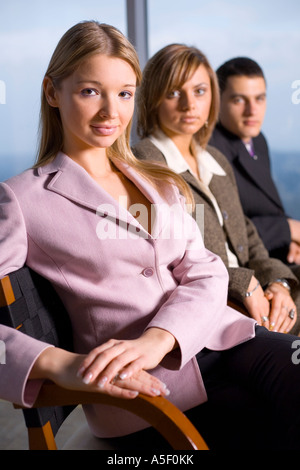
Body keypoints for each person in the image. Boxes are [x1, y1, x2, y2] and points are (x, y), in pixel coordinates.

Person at [1, 24, 300, 451]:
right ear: (52, 92)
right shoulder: (22, 198)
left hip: (215, 335)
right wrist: (61, 364)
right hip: (143, 390)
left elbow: (206, 268)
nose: (111, 112)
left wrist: (159, 338)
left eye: (124, 93)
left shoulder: (155, 179)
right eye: (90, 91)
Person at [133, 43, 300, 337]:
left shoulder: (215, 159)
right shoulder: (148, 162)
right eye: (173, 93)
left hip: (252, 290)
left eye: (199, 91)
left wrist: (278, 283)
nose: (189, 105)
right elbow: (171, 257)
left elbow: (248, 236)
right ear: (153, 98)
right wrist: (241, 283)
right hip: (211, 302)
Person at [209, 57, 300, 272]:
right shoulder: (211, 148)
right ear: (217, 100)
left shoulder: (258, 140)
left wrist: (292, 239)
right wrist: (288, 229)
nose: (252, 110)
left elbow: (268, 206)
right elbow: (223, 230)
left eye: (259, 98)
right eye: (239, 100)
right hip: (248, 267)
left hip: (277, 252)